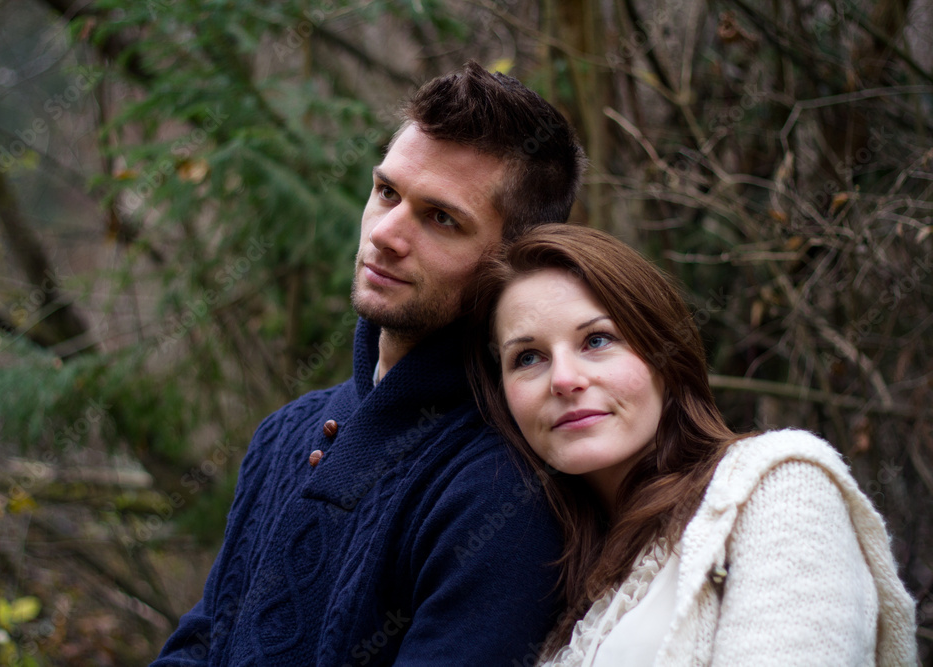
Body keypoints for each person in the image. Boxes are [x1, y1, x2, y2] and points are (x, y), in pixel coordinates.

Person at [152, 62, 586, 666]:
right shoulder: (285, 433)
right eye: (387, 192)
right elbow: (202, 644)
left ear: (513, 260)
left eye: (441, 218)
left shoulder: (500, 492)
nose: (386, 232)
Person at [466, 223, 917, 666]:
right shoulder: (551, 583)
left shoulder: (775, 486)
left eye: (597, 340)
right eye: (528, 357)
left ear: (663, 354)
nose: (564, 379)